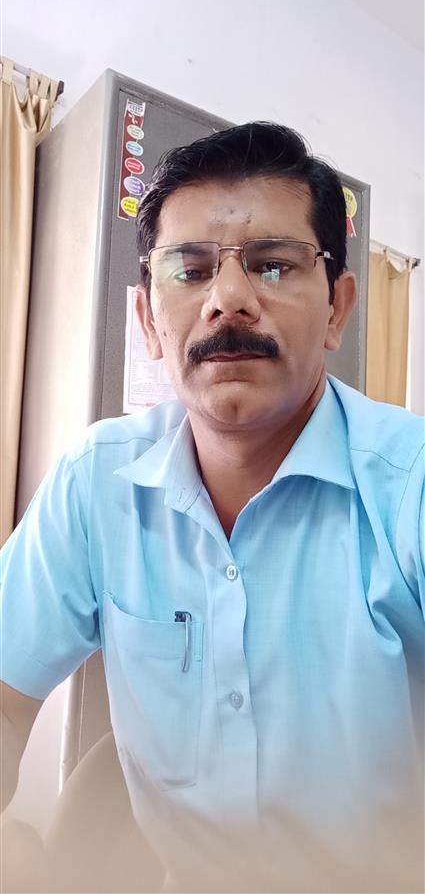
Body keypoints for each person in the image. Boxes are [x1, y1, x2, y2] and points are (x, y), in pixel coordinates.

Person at [1, 122, 424, 894]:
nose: (227, 300)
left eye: (273, 264)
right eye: (189, 270)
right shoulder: (96, 481)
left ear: (337, 309)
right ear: (146, 321)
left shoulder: (410, 486)